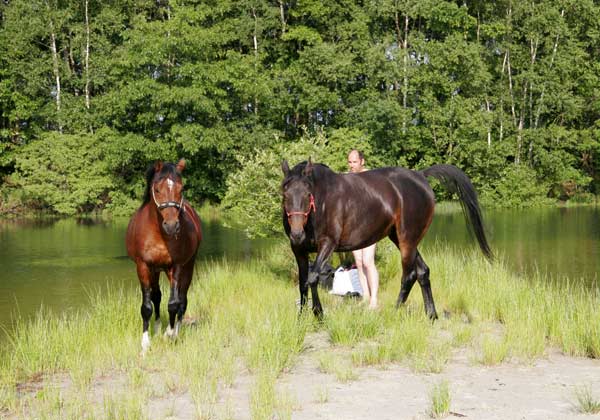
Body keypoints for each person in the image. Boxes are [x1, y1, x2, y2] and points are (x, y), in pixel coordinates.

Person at [347, 149, 379, 309]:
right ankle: (365, 296)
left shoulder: (371, 178)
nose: (352, 165)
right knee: (359, 262)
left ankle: (374, 300)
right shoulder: (348, 178)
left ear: (362, 161)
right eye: (350, 162)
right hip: (354, 227)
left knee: (368, 261)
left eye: (354, 162)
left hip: (370, 225)